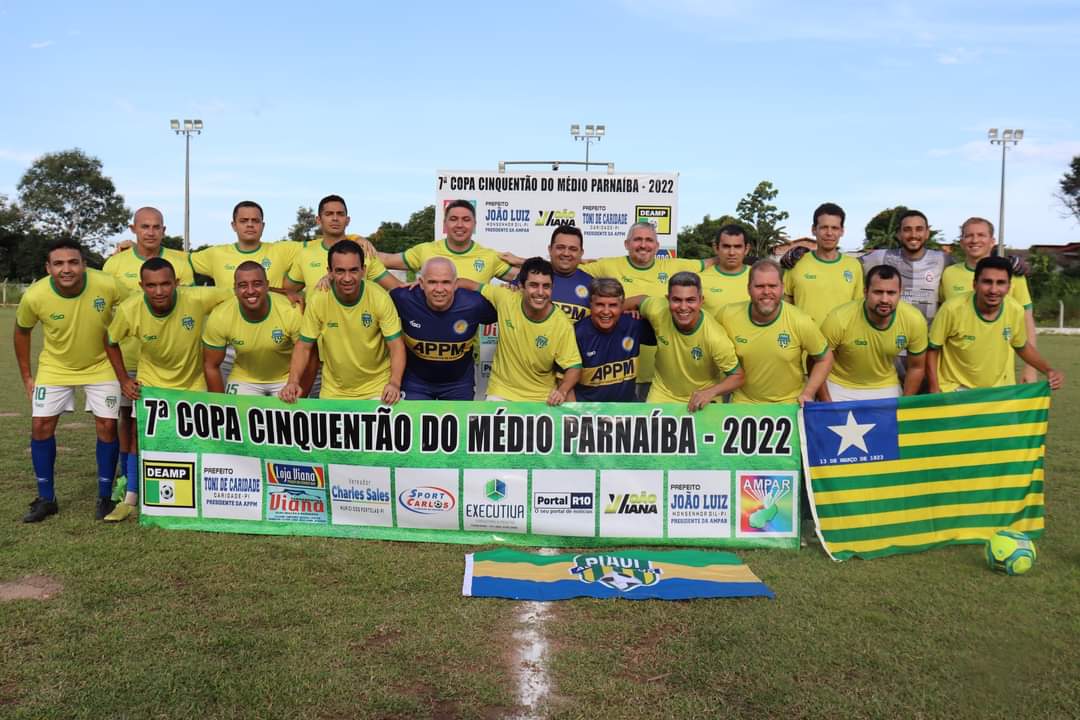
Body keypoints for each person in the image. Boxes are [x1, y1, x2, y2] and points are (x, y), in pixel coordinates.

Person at [104, 257, 231, 521]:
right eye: (151, 286)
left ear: (177, 283)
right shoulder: (130, 309)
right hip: (152, 381)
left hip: (192, 381)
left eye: (165, 284)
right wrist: (124, 380)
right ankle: (130, 498)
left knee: (197, 437)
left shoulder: (195, 299)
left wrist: (285, 293)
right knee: (143, 438)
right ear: (141, 285)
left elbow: (240, 291)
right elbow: (110, 341)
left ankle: (199, 496)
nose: (159, 291)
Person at [14, 240, 125, 522]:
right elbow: (22, 331)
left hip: (101, 364)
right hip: (56, 366)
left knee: (108, 426)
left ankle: (104, 496)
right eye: (59, 264)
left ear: (84, 265)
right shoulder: (35, 295)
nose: (67, 269)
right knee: (40, 426)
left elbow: (137, 304)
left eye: (73, 262)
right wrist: (28, 376)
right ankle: (46, 498)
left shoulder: (107, 284)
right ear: (48, 268)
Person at [102, 207, 195, 500]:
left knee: (164, 421)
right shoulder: (115, 263)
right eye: (145, 226)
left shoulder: (179, 262)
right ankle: (127, 478)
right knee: (128, 419)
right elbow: (107, 316)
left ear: (163, 230)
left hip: (168, 356)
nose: (151, 232)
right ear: (134, 229)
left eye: (156, 226)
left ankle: (171, 473)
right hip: (129, 356)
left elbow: (187, 304)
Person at [577, 221, 718, 399]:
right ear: (626, 244)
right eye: (637, 240)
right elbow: (566, 268)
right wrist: (623, 308)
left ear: (657, 246)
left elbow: (712, 261)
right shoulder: (607, 266)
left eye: (649, 240)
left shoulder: (674, 266)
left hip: (660, 378)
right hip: (619, 373)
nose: (643, 245)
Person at [280, 240, 405, 403]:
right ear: (329, 272)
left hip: (377, 388)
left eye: (353, 270)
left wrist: (394, 383)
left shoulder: (379, 297)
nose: (347, 278)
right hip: (334, 391)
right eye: (340, 271)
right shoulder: (319, 299)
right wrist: (292, 382)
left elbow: (396, 345)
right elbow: (304, 346)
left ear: (363, 270)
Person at [927, 257, 1063, 393]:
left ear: (1008, 287)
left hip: (996, 393)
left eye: (1000, 283)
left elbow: (1021, 346)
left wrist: (1048, 370)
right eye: (987, 282)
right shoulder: (952, 309)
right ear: (975, 284)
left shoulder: (1015, 310)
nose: (993, 289)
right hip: (955, 389)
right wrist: (934, 387)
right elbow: (933, 349)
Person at [939, 217, 1039, 383]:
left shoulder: (1013, 274)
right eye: (969, 235)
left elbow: (1027, 320)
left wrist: (1030, 367)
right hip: (955, 380)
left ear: (992, 241)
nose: (975, 240)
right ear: (962, 242)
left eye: (981, 235)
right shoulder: (949, 274)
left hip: (999, 378)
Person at [717, 260, 831, 405]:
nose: (766, 292)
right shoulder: (727, 315)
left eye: (772, 286)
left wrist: (809, 392)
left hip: (790, 403)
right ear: (749, 289)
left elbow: (825, 358)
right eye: (759, 286)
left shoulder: (801, 321)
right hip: (744, 403)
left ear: (782, 288)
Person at [627, 272, 745, 412]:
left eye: (690, 300)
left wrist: (710, 392)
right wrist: (621, 314)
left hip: (703, 397)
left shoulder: (715, 337)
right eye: (677, 300)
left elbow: (738, 376)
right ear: (667, 299)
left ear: (701, 301)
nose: (683, 307)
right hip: (662, 393)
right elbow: (639, 300)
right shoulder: (657, 309)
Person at [471, 257, 582, 404]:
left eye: (546, 286)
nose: (540, 292)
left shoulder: (561, 324)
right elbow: (469, 284)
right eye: (534, 285)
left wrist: (562, 390)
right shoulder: (505, 297)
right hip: (501, 392)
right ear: (521, 286)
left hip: (542, 398)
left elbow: (574, 367)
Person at [389, 257, 497, 400]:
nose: (439, 289)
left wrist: (513, 288)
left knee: (460, 423)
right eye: (432, 282)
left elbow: (510, 310)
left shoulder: (475, 304)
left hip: (459, 384)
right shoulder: (403, 299)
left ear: (456, 284)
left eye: (446, 282)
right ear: (421, 283)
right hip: (415, 382)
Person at [819, 265, 928, 401]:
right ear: (865, 292)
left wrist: (904, 403)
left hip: (884, 386)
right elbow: (816, 361)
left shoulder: (914, 320)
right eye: (878, 292)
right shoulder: (839, 318)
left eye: (891, 293)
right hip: (839, 384)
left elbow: (917, 367)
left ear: (900, 293)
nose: (884, 299)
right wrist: (826, 403)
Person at [203, 261, 311, 396]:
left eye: (257, 284)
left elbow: (310, 356)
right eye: (243, 285)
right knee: (239, 415)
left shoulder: (291, 310)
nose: (250, 291)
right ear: (235, 289)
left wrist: (302, 395)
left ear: (267, 286)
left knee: (285, 415)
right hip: (244, 378)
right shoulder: (221, 315)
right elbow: (211, 365)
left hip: (287, 378)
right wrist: (220, 406)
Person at [375, 199, 514, 283]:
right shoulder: (425, 250)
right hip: (425, 332)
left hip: (468, 332)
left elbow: (531, 278)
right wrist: (356, 239)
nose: (459, 225)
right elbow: (385, 259)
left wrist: (521, 261)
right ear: (445, 223)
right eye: (453, 219)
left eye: (466, 220)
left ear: (474, 224)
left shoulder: (489, 257)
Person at [284, 195, 398, 292]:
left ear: (347, 220)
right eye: (329, 214)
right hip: (317, 318)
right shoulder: (305, 254)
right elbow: (285, 291)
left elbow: (397, 287)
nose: (335, 218)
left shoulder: (364, 252)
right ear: (318, 220)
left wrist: (415, 284)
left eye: (340, 214)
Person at [571, 277, 656, 403]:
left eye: (613, 305)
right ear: (590, 305)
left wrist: (643, 312)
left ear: (622, 306)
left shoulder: (633, 324)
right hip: (588, 412)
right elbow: (565, 385)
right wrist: (576, 417)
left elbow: (669, 333)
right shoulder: (577, 334)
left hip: (627, 409)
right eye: (600, 305)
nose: (606, 311)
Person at [859, 210, 950, 324]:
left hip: (928, 336)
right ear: (898, 234)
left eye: (919, 229)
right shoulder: (881, 257)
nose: (913, 235)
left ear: (927, 233)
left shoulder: (942, 259)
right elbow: (848, 266)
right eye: (907, 230)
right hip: (891, 335)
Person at [190, 200, 304, 289]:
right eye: (244, 221)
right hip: (229, 318)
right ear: (234, 225)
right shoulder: (216, 254)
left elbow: (318, 247)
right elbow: (182, 260)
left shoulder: (282, 250)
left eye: (255, 221)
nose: (250, 225)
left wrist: (321, 274)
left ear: (263, 226)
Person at [783, 203, 864, 325]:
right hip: (803, 341)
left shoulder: (854, 266)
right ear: (814, 229)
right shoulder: (796, 262)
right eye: (824, 227)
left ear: (842, 231)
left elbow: (857, 308)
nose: (829, 233)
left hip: (840, 342)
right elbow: (785, 303)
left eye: (835, 228)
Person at [545, 225, 593, 323]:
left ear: (581, 253)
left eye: (573, 249)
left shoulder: (592, 285)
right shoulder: (531, 279)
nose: (566, 253)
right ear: (550, 249)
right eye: (560, 247)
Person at [700, 224, 751, 313]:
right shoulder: (700, 279)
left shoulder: (759, 278)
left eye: (737, 247)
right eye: (726, 246)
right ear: (716, 248)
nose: (731, 253)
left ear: (746, 249)